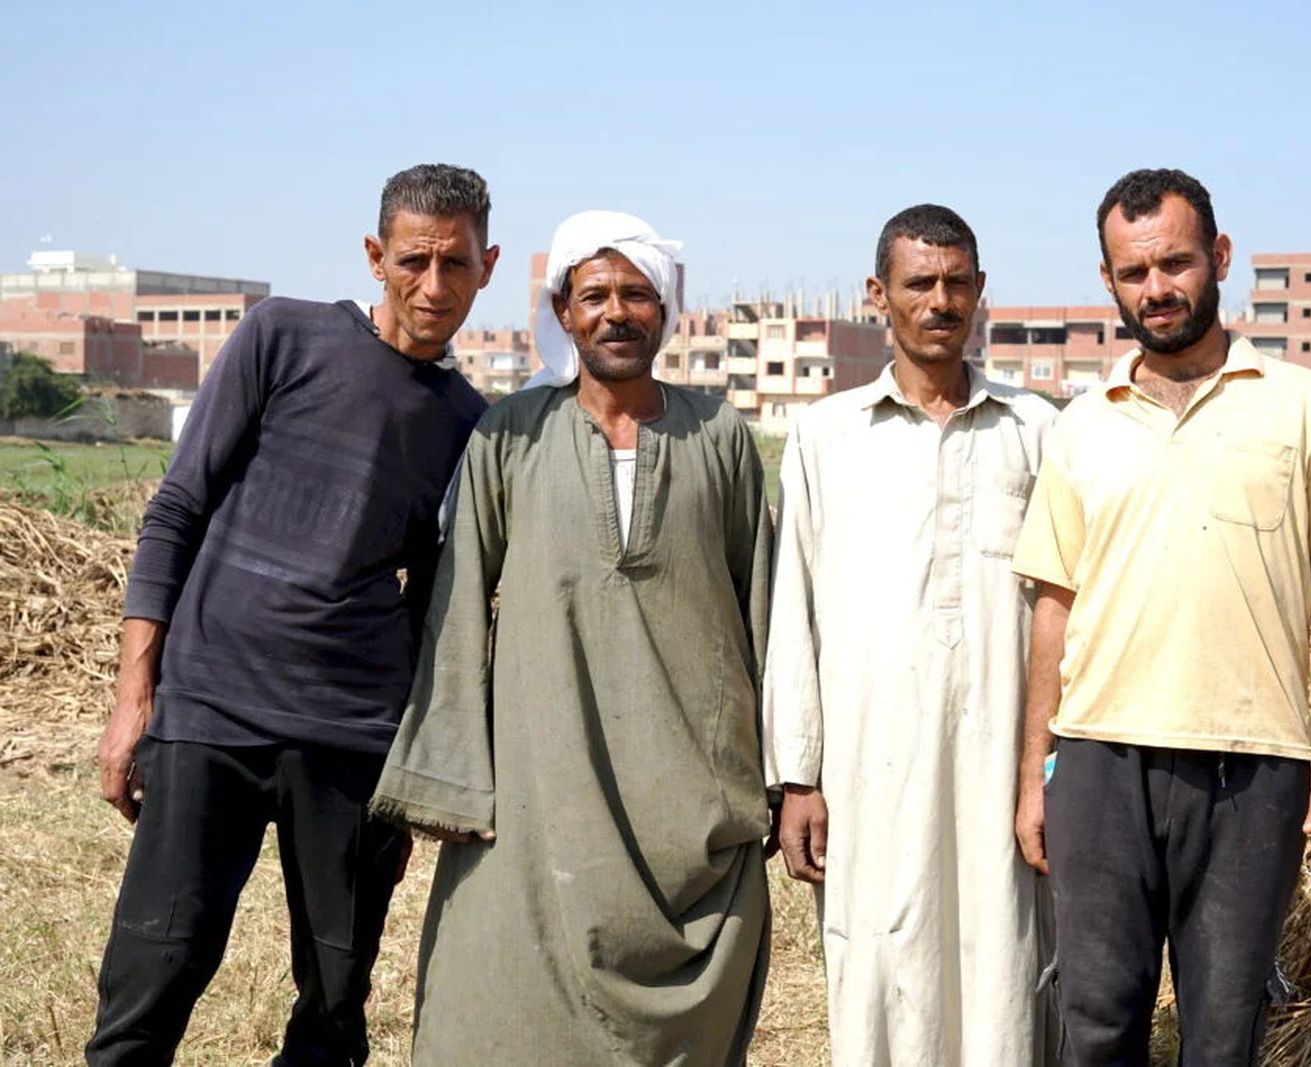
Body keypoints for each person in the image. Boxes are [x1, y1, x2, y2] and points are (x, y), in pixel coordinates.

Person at [87, 163, 497, 1065]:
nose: (434, 286)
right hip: (211, 716)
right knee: (154, 975)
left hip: (353, 741)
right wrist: (134, 699)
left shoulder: (471, 422)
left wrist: (422, 762)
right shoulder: (284, 337)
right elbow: (176, 510)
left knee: (334, 1003)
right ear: (374, 256)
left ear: (488, 266)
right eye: (414, 260)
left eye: (456, 265)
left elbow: (439, 603)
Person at [370, 211, 773, 1065]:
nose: (615, 312)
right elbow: (457, 603)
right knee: (501, 999)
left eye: (636, 294)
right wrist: (451, 776)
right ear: (563, 312)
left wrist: (782, 775)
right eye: (594, 294)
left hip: (690, 795)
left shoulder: (721, 437)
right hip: (538, 785)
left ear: (666, 312)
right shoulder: (511, 435)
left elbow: (761, 610)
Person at [1011, 167, 1311, 1064]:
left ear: (1219, 257)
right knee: (1097, 1022)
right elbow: (1052, 607)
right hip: (1100, 760)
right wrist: (1037, 772)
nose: (1158, 288)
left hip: (1252, 769)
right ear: (1107, 281)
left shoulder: (1302, 404)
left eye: (1175, 263)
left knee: (1224, 1036)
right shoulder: (1080, 426)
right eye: (1134, 272)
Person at [764, 204, 1059, 1065]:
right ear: (878, 294)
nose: (939, 301)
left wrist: (1049, 772)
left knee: (1003, 968)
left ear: (980, 294)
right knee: (879, 968)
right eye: (919, 283)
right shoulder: (826, 436)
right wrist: (797, 775)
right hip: (868, 771)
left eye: (956, 283)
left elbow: (1064, 614)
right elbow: (795, 612)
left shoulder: (1035, 431)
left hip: (1000, 767)